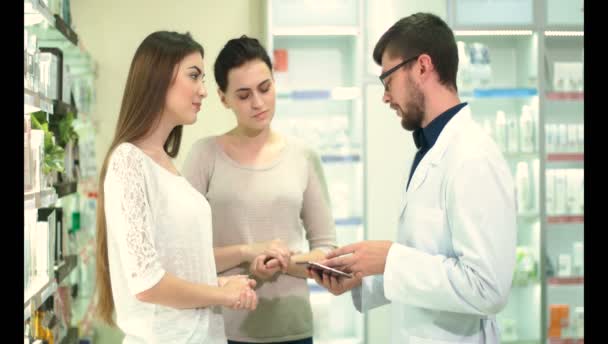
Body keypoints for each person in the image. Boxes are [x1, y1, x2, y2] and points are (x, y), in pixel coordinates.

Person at [309, 13, 517, 344]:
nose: (385, 96)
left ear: (422, 67)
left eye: (387, 80)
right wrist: (363, 276)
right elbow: (428, 260)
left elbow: (487, 288)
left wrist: (391, 258)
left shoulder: (473, 157)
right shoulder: (429, 150)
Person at [94, 31, 258, 344]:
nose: (204, 91)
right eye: (194, 76)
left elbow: (177, 260)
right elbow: (147, 283)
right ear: (158, 77)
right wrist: (219, 295)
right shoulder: (129, 161)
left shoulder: (165, 163)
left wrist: (218, 284)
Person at [182, 35, 337, 344]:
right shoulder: (204, 156)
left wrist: (284, 262)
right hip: (223, 332)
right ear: (223, 98)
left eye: (265, 88)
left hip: (294, 329)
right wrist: (246, 252)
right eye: (243, 95)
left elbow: (328, 252)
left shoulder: (303, 157)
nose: (258, 103)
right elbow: (183, 259)